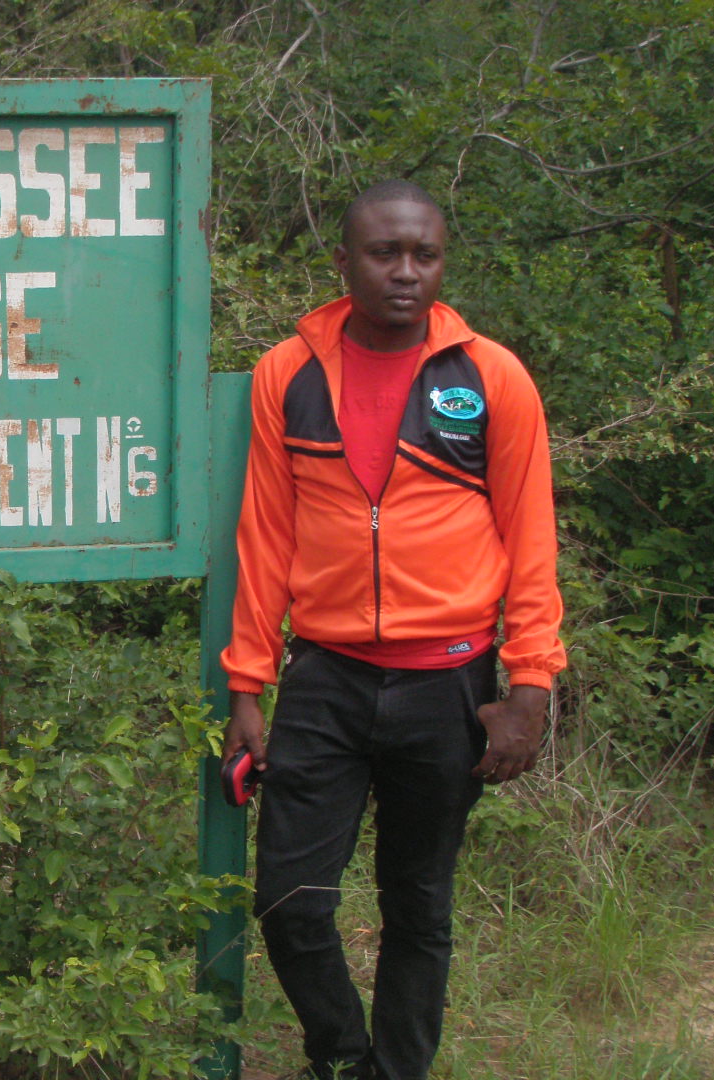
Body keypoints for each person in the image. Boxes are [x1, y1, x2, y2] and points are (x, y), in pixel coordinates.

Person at [220, 179, 566, 1080]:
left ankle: (393, 1072)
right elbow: (265, 538)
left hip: (448, 681)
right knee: (290, 900)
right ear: (343, 263)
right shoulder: (284, 376)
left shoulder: (490, 376)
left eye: (425, 254)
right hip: (326, 676)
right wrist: (248, 684)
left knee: (419, 905)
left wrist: (528, 689)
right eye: (385, 254)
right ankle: (339, 1050)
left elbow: (531, 540)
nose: (406, 273)